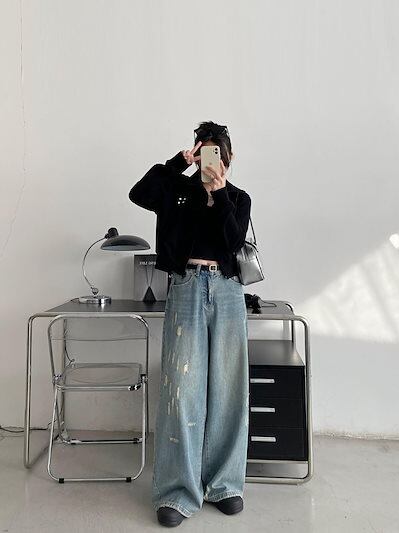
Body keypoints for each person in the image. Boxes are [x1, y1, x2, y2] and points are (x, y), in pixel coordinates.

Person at [128, 121, 251, 527]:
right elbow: (139, 193)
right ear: (196, 155)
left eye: (218, 153)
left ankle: (224, 484)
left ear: (229, 158)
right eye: (205, 152)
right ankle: (176, 492)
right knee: (181, 391)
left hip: (228, 291)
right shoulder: (176, 189)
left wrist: (220, 193)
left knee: (229, 389)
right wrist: (176, 163)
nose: (211, 160)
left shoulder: (239, 198)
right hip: (186, 286)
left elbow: (233, 242)